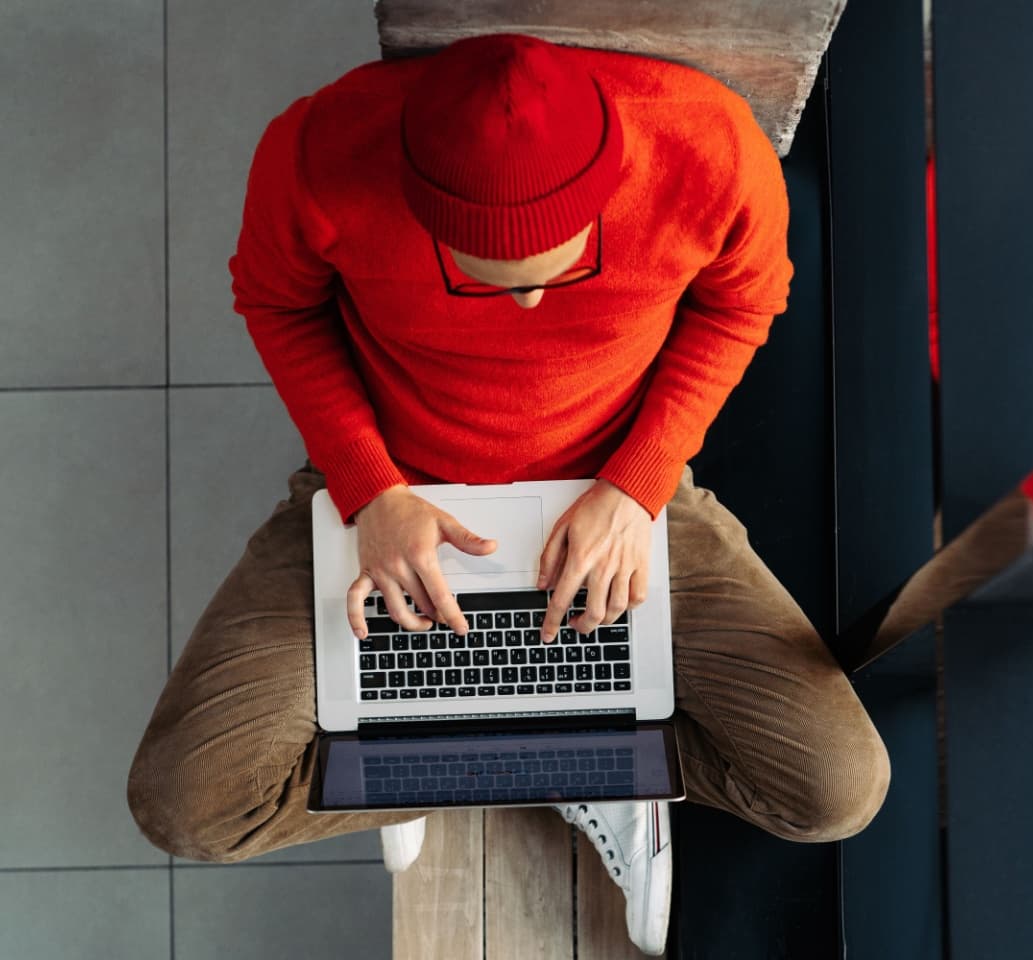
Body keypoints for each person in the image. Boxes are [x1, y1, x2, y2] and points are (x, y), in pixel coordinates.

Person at [126, 33, 890, 956]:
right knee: (187, 808)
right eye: (493, 280)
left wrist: (637, 484)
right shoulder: (316, 152)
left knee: (838, 791)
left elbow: (743, 303)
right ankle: (449, 754)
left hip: (616, 485)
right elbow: (278, 303)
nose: (530, 308)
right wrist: (371, 492)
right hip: (394, 496)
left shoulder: (709, 147)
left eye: (554, 275)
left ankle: (472, 762)